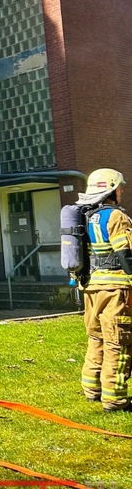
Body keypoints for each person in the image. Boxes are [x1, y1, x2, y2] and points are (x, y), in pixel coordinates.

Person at [78, 168, 132, 411]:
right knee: (117, 342)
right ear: (111, 190)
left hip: (91, 288)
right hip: (115, 289)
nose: (121, 191)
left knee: (96, 338)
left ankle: (92, 389)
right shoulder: (116, 217)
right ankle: (115, 399)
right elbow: (125, 254)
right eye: (119, 187)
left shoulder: (84, 216)